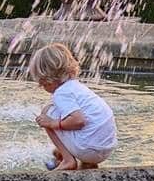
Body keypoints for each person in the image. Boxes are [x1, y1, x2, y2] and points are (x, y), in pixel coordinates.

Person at [30, 43, 117, 171]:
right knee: (60, 114)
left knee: (46, 114)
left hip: (88, 149)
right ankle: (87, 163)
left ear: (47, 79)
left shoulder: (61, 93)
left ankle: (67, 160)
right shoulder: (77, 87)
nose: (42, 87)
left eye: (41, 83)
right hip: (106, 149)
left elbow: (78, 121)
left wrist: (52, 123)